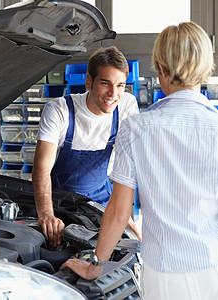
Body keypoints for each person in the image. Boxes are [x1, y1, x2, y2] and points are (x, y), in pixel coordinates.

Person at [61, 22, 218, 300]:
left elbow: (120, 212)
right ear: (207, 66)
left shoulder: (137, 128)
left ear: (160, 69)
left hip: (164, 273)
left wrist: (96, 266)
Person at [32, 46, 140, 247]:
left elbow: (130, 163)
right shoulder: (59, 110)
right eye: (105, 83)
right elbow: (41, 167)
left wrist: (123, 213)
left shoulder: (126, 106)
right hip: (59, 204)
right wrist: (47, 215)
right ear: (88, 81)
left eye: (120, 85)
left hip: (102, 203)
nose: (113, 94)